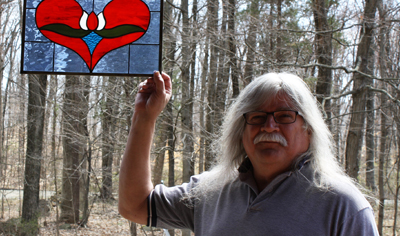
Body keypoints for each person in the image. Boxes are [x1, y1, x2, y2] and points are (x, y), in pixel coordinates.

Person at [119, 71, 379, 235]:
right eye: (256, 117)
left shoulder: (343, 206)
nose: (269, 126)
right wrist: (144, 117)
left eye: (285, 116)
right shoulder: (209, 193)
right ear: (241, 132)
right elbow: (135, 205)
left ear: (309, 130)